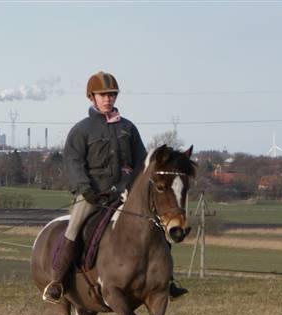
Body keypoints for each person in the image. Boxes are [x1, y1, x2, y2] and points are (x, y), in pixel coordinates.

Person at [42, 71, 188, 303]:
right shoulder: (82, 130)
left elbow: (142, 162)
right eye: (103, 95)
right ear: (92, 97)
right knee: (74, 228)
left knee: (155, 226)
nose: (108, 99)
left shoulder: (128, 128)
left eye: (112, 95)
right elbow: (73, 163)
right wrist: (85, 188)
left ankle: (167, 280)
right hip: (91, 194)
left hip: (124, 192)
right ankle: (57, 281)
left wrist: (133, 186)